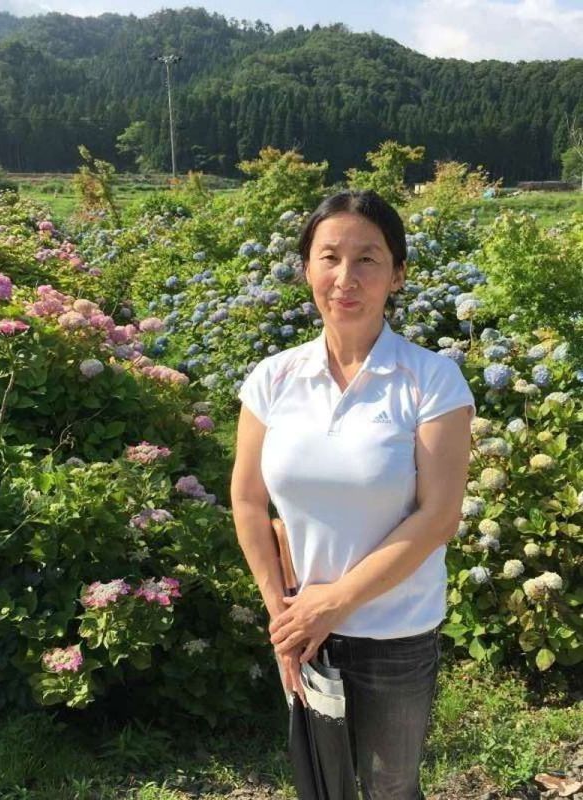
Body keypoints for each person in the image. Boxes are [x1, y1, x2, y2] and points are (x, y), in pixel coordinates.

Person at [230, 189, 476, 800]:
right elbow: (248, 501)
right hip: (304, 628)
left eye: (368, 259)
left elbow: (439, 515)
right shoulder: (273, 378)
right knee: (324, 785)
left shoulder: (431, 379)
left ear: (397, 274)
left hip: (396, 631)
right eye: (329, 256)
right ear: (305, 268)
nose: (346, 277)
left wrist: (334, 602)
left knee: (392, 788)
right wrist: (283, 614)